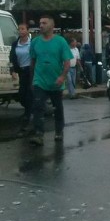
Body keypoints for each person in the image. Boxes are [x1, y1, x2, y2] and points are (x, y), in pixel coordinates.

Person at [29, 15, 73, 146]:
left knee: (57, 108)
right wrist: (32, 80)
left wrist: (62, 77)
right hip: (40, 81)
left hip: (55, 82)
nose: (41, 25)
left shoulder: (60, 42)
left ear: (52, 26)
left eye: (44, 23)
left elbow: (67, 62)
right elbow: (32, 61)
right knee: (38, 106)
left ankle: (58, 131)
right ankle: (38, 134)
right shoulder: (35, 42)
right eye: (40, 23)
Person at [9, 23, 33, 137]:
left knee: (28, 93)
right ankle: (29, 109)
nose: (21, 31)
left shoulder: (32, 43)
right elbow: (11, 58)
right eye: (19, 29)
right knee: (21, 94)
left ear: (28, 30)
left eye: (23, 29)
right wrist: (12, 70)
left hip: (31, 71)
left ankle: (28, 116)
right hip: (22, 71)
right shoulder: (15, 44)